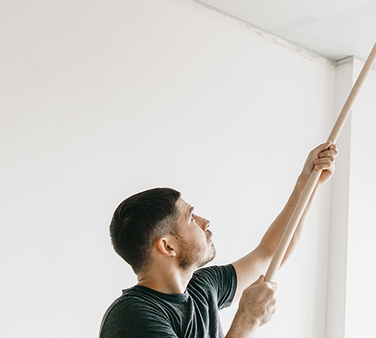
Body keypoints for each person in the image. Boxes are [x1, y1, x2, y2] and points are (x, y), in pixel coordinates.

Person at [100, 141, 338, 338]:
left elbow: (269, 253)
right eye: (191, 218)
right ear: (167, 246)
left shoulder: (203, 288)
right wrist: (247, 321)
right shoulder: (131, 317)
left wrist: (307, 182)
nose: (206, 222)